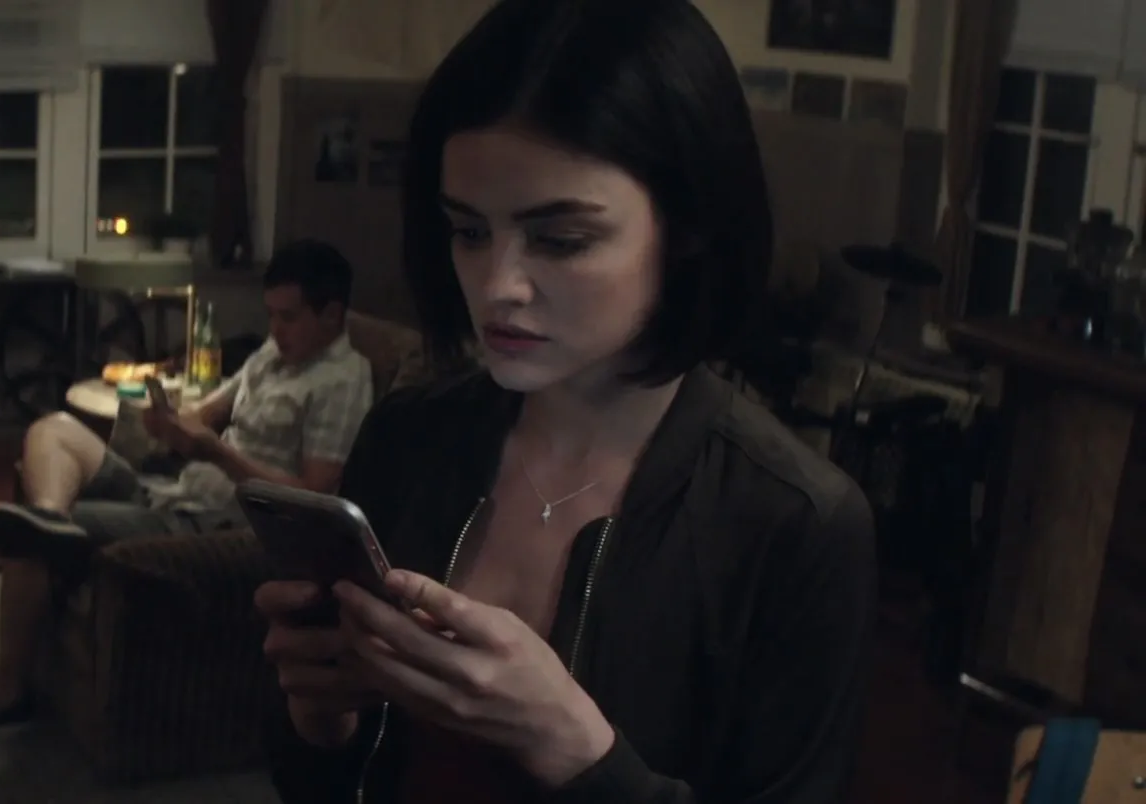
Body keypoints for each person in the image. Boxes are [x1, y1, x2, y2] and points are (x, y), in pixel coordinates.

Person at [256, 2, 875, 802]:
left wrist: (575, 749)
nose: (499, 286)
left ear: (688, 225)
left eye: (560, 240)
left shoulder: (796, 524)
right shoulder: (408, 438)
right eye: (469, 231)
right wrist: (320, 718)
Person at [0, 238, 377, 743]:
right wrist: (172, 423)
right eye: (270, 315)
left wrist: (215, 452)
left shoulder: (343, 381)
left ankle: (7, 692)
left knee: (26, 540)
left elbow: (313, 498)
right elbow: (206, 415)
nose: (275, 329)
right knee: (53, 430)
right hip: (174, 487)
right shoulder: (273, 355)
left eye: (288, 317)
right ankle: (49, 517)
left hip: (210, 522)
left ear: (331, 315)